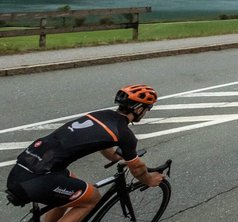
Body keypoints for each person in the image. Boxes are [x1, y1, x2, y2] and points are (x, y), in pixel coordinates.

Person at [5, 85, 165, 222]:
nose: (146, 113)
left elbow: (104, 145)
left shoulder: (100, 115)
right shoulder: (124, 133)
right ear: (138, 109)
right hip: (38, 179)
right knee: (92, 198)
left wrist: (116, 157)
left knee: (71, 181)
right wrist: (149, 179)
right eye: (147, 109)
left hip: (24, 167)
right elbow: (137, 169)